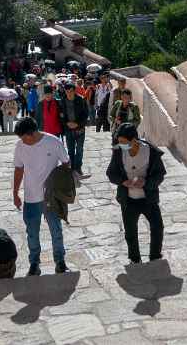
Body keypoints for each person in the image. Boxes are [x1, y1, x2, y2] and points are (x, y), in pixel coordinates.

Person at [12, 116, 69, 276]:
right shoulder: (20, 146)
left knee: (56, 230)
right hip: (31, 197)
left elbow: (66, 163)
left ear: (32, 133)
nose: (22, 141)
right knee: (32, 232)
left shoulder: (53, 142)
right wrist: (15, 192)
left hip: (51, 197)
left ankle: (60, 261)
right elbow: (18, 169)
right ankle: (34, 264)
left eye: (23, 138)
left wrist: (60, 186)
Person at [106, 123, 167, 264]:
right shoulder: (118, 152)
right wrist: (123, 182)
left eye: (123, 142)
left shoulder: (150, 152)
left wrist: (146, 182)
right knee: (130, 232)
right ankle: (134, 258)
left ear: (134, 140)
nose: (121, 145)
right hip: (128, 199)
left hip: (148, 198)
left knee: (157, 227)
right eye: (119, 142)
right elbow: (111, 173)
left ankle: (155, 256)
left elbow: (160, 174)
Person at [58, 82, 91, 180]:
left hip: (79, 129)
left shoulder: (81, 100)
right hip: (68, 129)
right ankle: (72, 169)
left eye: (71, 91)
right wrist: (66, 123)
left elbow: (85, 115)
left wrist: (78, 124)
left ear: (74, 91)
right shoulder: (62, 101)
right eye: (67, 91)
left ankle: (78, 167)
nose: (69, 94)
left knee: (79, 149)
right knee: (70, 150)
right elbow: (60, 116)